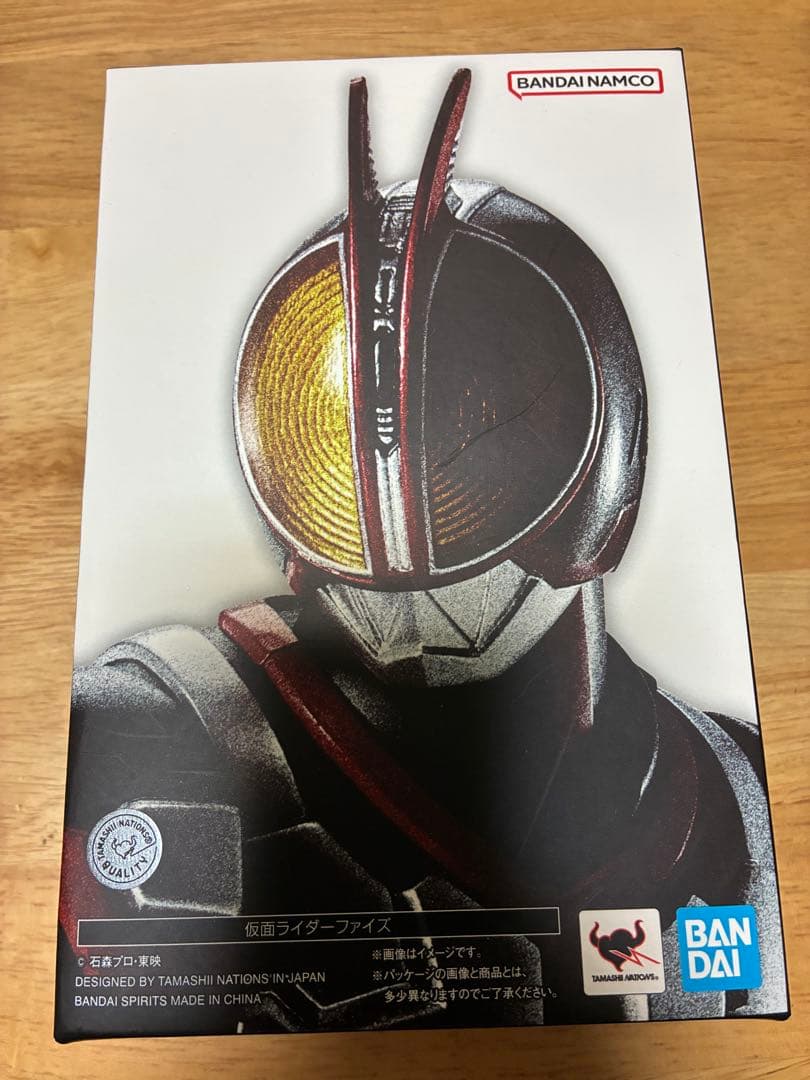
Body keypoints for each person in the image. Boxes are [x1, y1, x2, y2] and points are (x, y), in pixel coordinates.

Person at [57, 68, 785, 1035]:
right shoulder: (134, 735)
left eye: (480, 428)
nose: (405, 480)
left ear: (601, 442)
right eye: (344, 436)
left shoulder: (743, 786)